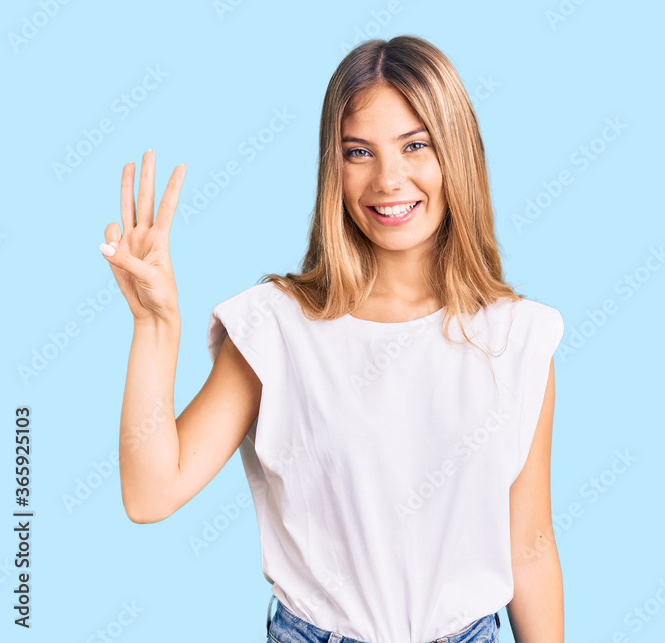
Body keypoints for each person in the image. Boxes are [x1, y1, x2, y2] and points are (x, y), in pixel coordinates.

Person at [99, 35, 564, 643]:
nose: (389, 179)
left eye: (416, 146)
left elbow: (528, 548)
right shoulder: (276, 328)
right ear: (333, 168)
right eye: (359, 152)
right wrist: (154, 326)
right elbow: (150, 491)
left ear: (458, 155)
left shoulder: (518, 336)